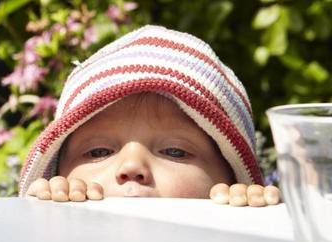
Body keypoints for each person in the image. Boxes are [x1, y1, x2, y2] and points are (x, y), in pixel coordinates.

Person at [19, 25, 281, 207]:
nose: (131, 167)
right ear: (58, 172)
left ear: (231, 177)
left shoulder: (235, 234)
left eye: (175, 152)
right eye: (98, 152)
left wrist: (252, 219)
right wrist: (43, 215)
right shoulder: (59, 232)